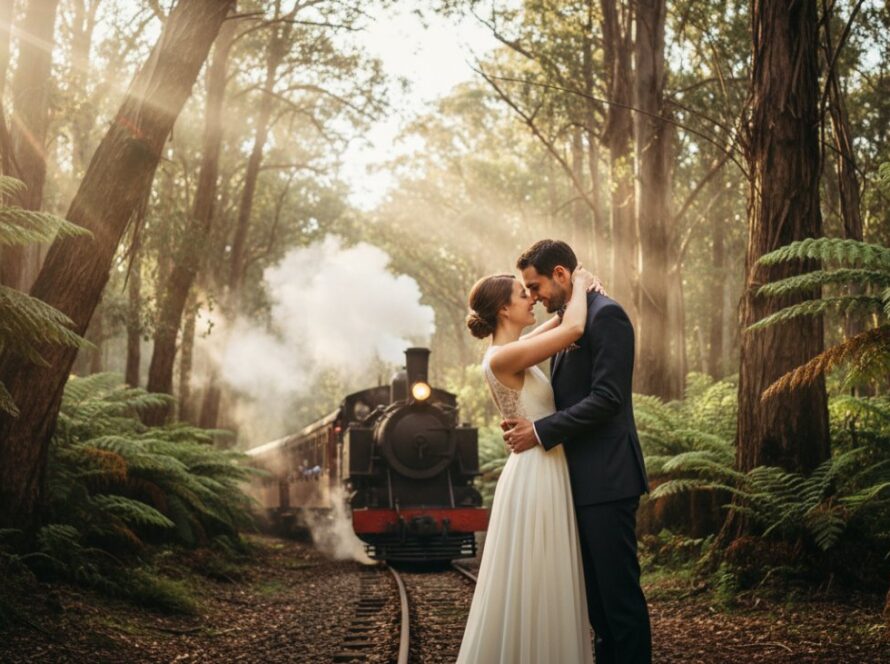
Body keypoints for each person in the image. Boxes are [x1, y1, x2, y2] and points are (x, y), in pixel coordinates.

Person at [504, 239, 651, 664]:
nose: (533, 297)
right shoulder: (573, 318)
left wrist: (540, 431)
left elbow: (608, 398)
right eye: (526, 291)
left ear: (561, 275)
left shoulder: (608, 317)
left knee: (619, 602)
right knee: (597, 608)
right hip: (577, 483)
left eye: (535, 287)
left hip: (607, 479)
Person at [456, 261, 600, 663]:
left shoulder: (512, 351)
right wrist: (583, 281)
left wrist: (571, 292)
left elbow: (556, 324)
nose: (532, 299)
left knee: (543, 577)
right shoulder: (502, 359)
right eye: (524, 295)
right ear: (504, 309)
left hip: (544, 467)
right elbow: (572, 329)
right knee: (540, 577)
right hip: (537, 472)